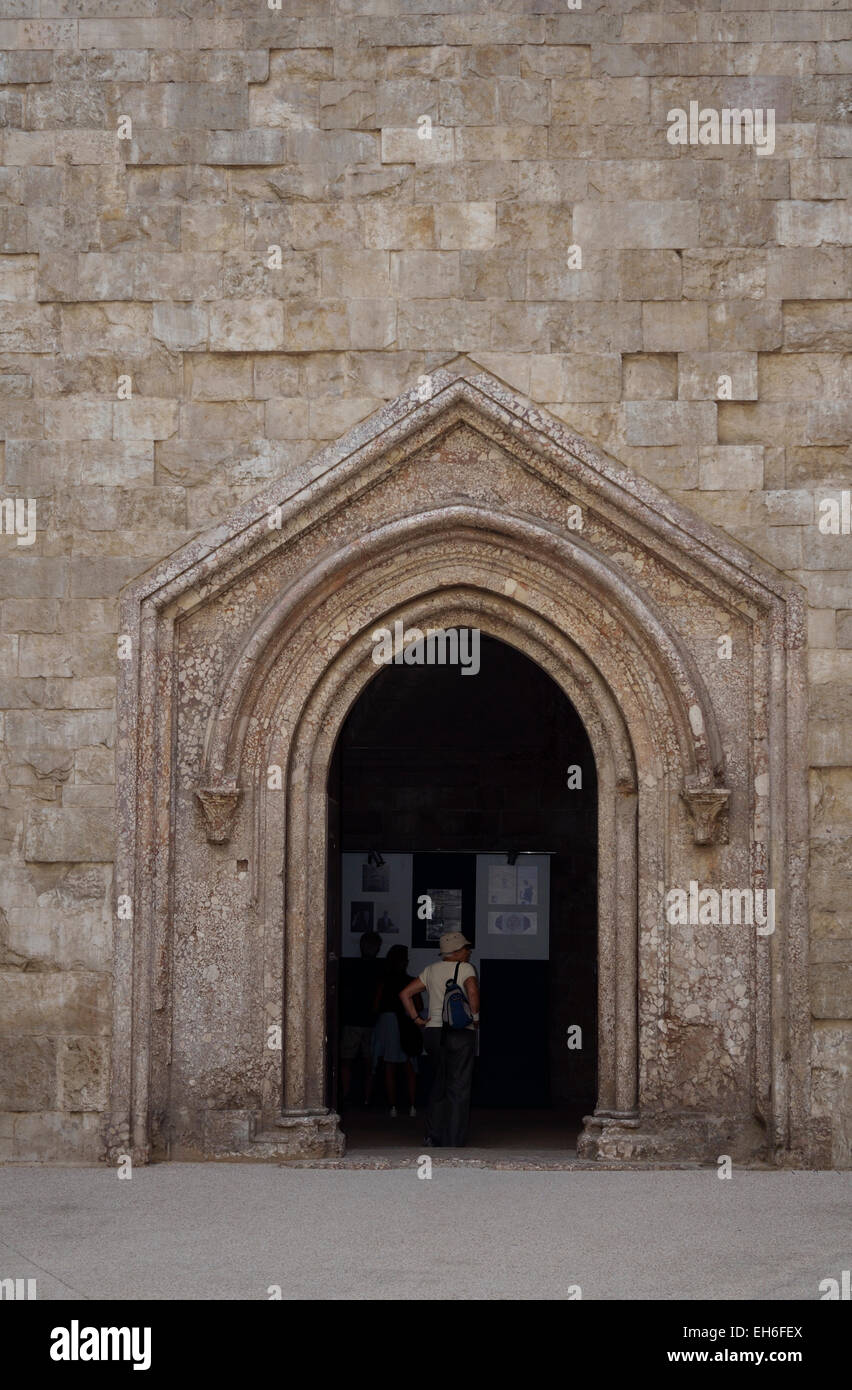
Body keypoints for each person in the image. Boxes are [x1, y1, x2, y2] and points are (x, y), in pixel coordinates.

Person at [399, 931, 480, 1148]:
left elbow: (405, 994)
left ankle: (432, 1136)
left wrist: (417, 1018)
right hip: (460, 1032)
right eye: (465, 948)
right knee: (459, 1087)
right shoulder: (465, 968)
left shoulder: (430, 970)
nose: (469, 951)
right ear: (456, 952)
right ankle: (453, 1139)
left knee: (438, 1085)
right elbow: (472, 992)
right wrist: (476, 1018)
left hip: (433, 1032)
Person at [371, 944, 422, 1118]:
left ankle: (392, 1106)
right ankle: (413, 1105)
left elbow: (377, 1006)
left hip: (388, 1023)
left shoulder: (383, 981)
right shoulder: (411, 981)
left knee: (389, 1067)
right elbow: (419, 1005)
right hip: (406, 1022)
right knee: (410, 1066)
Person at [339, 930, 382, 1107]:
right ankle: (366, 1098)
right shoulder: (380, 968)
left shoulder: (351, 967)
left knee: (347, 1061)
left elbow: (345, 993)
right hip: (370, 1021)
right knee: (368, 1063)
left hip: (353, 1020)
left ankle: (346, 1095)